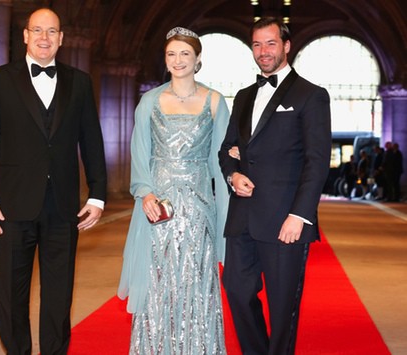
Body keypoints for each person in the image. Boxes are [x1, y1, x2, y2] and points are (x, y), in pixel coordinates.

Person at [0, 8, 107, 354]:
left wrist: (98, 195)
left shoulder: (79, 82)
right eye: (38, 30)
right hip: (10, 207)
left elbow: (92, 140)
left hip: (63, 208)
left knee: (59, 296)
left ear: (61, 38)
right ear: (26, 36)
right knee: (12, 296)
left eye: (52, 31)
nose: (45, 38)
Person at [219, 17, 331, 355]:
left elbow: (317, 161)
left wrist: (300, 215)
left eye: (270, 43)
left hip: (285, 220)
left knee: (283, 309)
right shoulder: (242, 96)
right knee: (237, 290)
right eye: (256, 44)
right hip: (242, 217)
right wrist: (232, 174)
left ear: (286, 46)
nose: (263, 51)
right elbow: (227, 149)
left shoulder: (311, 95)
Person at [117, 27, 230, 354]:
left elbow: (220, 164)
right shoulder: (149, 101)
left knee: (197, 284)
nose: (178, 60)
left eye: (185, 54)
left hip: (198, 208)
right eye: (171, 54)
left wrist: (225, 222)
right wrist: (146, 193)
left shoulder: (214, 101)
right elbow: (139, 153)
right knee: (158, 284)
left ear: (197, 60)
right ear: (165, 60)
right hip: (158, 208)